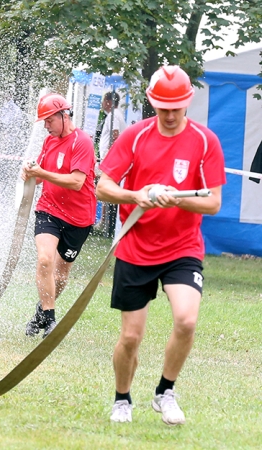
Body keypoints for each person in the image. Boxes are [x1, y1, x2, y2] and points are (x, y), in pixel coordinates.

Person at [96, 65, 225, 425]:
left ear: (188, 102)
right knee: (131, 338)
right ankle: (122, 398)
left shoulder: (204, 141)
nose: (169, 115)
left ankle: (165, 392)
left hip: (182, 248)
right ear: (153, 102)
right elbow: (102, 187)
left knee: (186, 320)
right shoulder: (136, 137)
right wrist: (137, 194)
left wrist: (174, 199)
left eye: (176, 108)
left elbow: (213, 202)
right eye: (162, 107)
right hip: (135, 248)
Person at [21, 93, 97, 338]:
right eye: (43, 121)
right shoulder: (49, 141)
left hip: (79, 218)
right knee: (45, 260)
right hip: (49, 209)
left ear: (64, 116)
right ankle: (51, 320)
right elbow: (43, 174)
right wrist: (31, 172)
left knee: (62, 274)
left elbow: (76, 182)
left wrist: (42, 172)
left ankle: (41, 312)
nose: (46, 126)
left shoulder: (82, 142)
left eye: (49, 120)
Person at [99, 91, 127, 160]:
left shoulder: (113, 115)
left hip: (109, 158)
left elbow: (115, 135)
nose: (102, 103)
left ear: (109, 102)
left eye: (104, 100)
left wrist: (110, 154)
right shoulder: (116, 114)